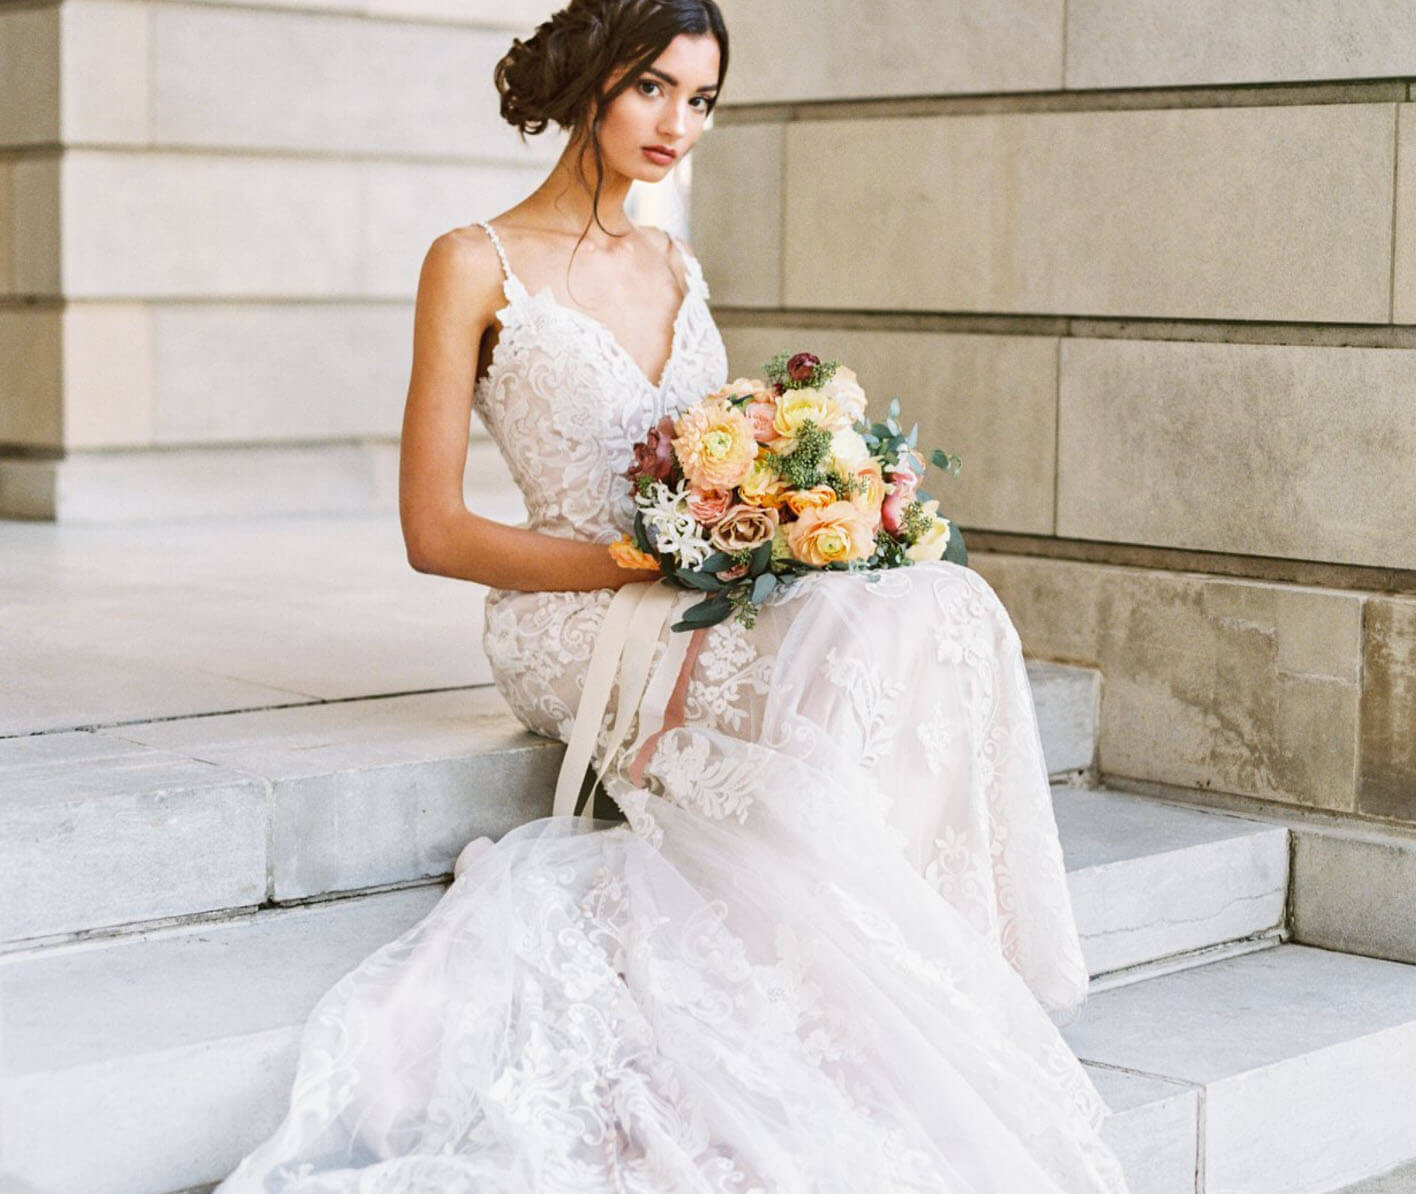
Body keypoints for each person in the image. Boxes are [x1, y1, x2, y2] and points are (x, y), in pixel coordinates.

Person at [214, 1, 1133, 1190]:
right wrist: (636, 565)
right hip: (570, 609)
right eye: (652, 88)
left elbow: (708, 452)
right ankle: (829, 995)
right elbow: (431, 533)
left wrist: (794, 516)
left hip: (697, 585)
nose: (677, 124)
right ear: (592, 79)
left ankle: (914, 977)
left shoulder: (672, 260)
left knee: (936, 608)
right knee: (851, 645)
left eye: (701, 100)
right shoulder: (472, 263)